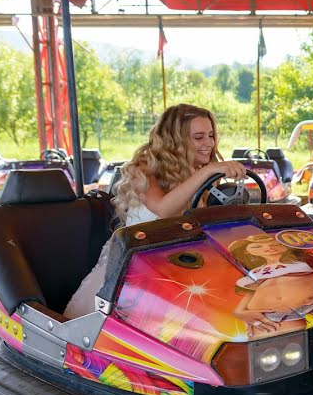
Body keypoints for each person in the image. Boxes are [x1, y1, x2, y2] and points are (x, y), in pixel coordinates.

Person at [63, 103, 248, 318]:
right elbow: (164, 210)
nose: (209, 143)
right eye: (199, 138)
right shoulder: (144, 169)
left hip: (182, 265)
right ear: (175, 141)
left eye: (210, 135)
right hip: (134, 268)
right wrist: (208, 171)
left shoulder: (199, 173)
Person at [230, 233, 313, 336]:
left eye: (276, 244)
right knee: (282, 354)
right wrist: (239, 311)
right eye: (257, 247)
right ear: (247, 251)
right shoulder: (253, 270)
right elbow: (255, 292)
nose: (269, 248)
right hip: (270, 313)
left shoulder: (309, 257)